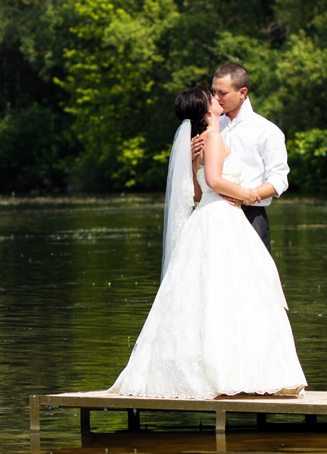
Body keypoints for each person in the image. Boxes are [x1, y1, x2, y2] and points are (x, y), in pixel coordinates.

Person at [109, 86, 305, 399]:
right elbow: (213, 183)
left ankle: (211, 371)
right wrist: (249, 194)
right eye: (211, 97)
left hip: (209, 216)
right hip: (223, 218)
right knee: (233, 294)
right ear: (205, 109)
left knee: (209, 294)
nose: (217, 99)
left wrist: (205, 175)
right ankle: (231, 374)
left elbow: (198, 194)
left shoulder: (199, 144)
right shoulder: (212, 139)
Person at [192, 63, 289, 253]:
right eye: (213, 92)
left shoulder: (267, 131)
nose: (215, 98)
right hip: (211, 216)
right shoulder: (208, 127)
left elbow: (279, 179)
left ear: (242, 92)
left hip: (251, 216)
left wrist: (247, 197)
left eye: (222, 93)